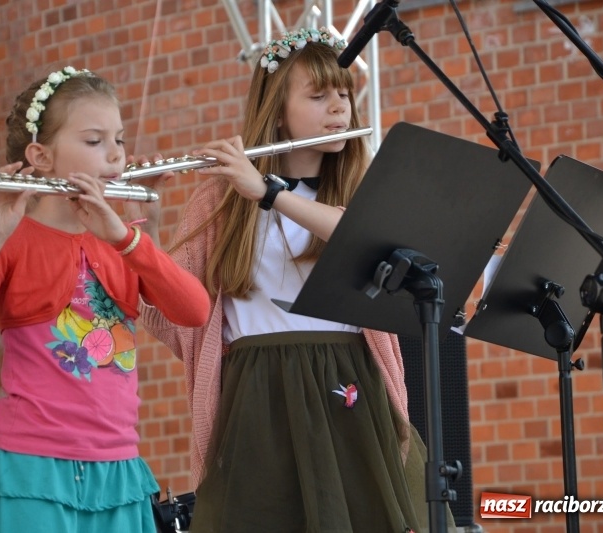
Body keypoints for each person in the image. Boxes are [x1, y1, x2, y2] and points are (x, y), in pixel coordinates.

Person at [140, 28, 450, 532]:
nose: (339, 107)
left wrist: (268, 192)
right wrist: (146, 212)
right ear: (278, 110)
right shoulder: (220, 201)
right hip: (257, 394)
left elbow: (366, 239)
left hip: (348, 385)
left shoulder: (356, 191)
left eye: (344, 93)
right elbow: (166, 308)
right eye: (319, 94)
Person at [0, 66, 210, 533]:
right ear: (41, 155)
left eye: (118, 140)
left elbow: (194, 311)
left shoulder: (121, 241)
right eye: (95, 141)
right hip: (30, 466)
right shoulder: (13, 239)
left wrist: (133, 234)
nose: (115, 155)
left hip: (118, 468)